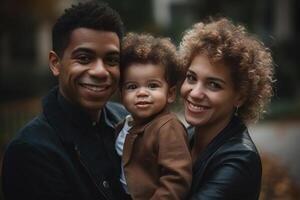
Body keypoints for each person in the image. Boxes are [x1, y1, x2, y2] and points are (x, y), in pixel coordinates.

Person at [2, 1, 128, 200]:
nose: (100, 71)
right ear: (55, 64)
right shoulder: (31, 151)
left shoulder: (126, 119)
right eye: (85, 58)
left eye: (111, 60)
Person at [179, 18, 274, 200]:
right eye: (191, 77)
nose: (196, 93)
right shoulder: (187, 135)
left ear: (240, 96)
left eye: (214, 84)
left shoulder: (240, 160)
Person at [114, 33, 192, 200]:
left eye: (153, 85)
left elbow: (176, 179)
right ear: (122, 95)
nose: (142, 93)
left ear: (170, 93)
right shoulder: (122, 125)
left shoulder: (168, 128)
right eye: (132, 86)